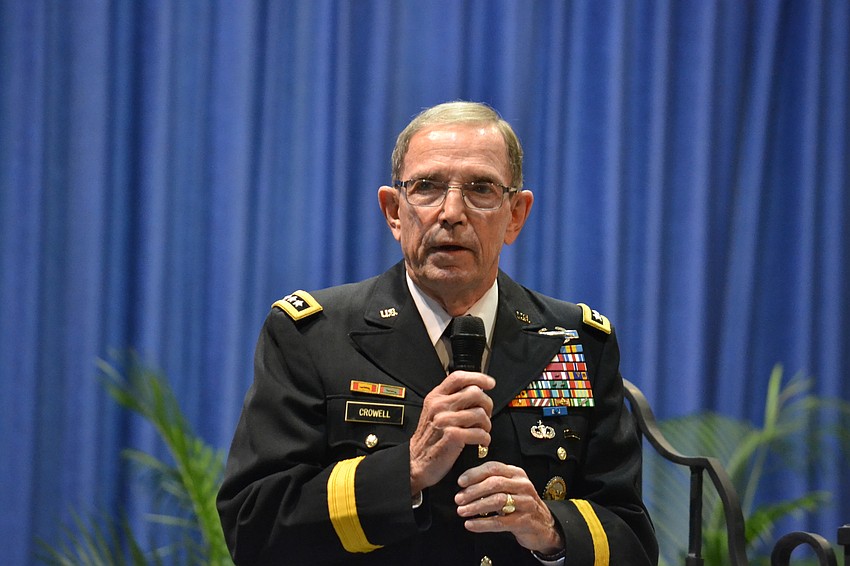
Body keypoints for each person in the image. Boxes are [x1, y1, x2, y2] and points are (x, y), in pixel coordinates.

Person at [217, 101, 658, 565]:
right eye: (426, 187)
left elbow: (632, 540)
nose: (451, 212)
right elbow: (252, 528)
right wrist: (405, 471)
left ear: (515, 215)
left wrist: (551, 530)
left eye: (481, 189)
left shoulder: (576, 342)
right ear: (393, 211)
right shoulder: (313, 336)